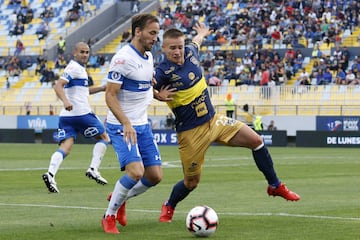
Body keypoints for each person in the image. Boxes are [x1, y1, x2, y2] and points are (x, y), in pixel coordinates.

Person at [153, 23, 300, 223]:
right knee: (191, 182)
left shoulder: (190, 52)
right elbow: (142, 86)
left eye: (179, 46)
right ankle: (169, 205)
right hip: (191, 133)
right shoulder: (161, 71)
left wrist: (202, 33)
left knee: (256, 140)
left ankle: (275, 185)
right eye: (172, 48)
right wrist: (158, 95)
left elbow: (196, 42)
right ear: (164, 48)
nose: (177, 51)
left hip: (214, 120)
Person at [101, 13, 168, 234]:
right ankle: (109, 216)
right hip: (122, 126)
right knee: (136, 172)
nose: (155, 38)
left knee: (155, 176)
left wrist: (157, 94)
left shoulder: (148, 57)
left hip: (142, 125)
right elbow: (110, 95)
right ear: (137, 31)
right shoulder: (122, 59)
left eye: (157, 34)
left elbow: (144, 83)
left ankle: (120, 199)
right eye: (152, 33)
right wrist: (126, 122)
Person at [42, 42, 110, 194]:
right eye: (82, 52)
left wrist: (101, 88)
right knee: (104, 137)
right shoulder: (74, 67)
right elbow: (58, 85)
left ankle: (50, 174)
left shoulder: (79, 70)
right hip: (82, 113)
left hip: (66, 117)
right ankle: (93, 169)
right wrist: (66, 101)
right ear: (75, 52)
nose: (85, 55)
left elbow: (83, 92)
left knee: (66, 147)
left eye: (87, 52)